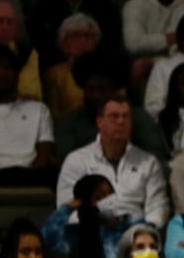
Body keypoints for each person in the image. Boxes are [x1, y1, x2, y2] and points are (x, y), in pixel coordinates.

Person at [56, 95, 169, 230]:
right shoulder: (77, 160)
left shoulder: (148, 162)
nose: (121, 121)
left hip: (136, 233)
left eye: (125, 116)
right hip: (91, 232)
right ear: (99, 121)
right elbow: (67, 206)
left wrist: (146, 231)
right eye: (114, 116)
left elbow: (158, 206)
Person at [0, 48, 54, 187]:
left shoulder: (38, 109)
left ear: (17, 74)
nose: (1, 73)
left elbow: (45, 151)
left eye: (7, 68)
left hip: (28, 174)